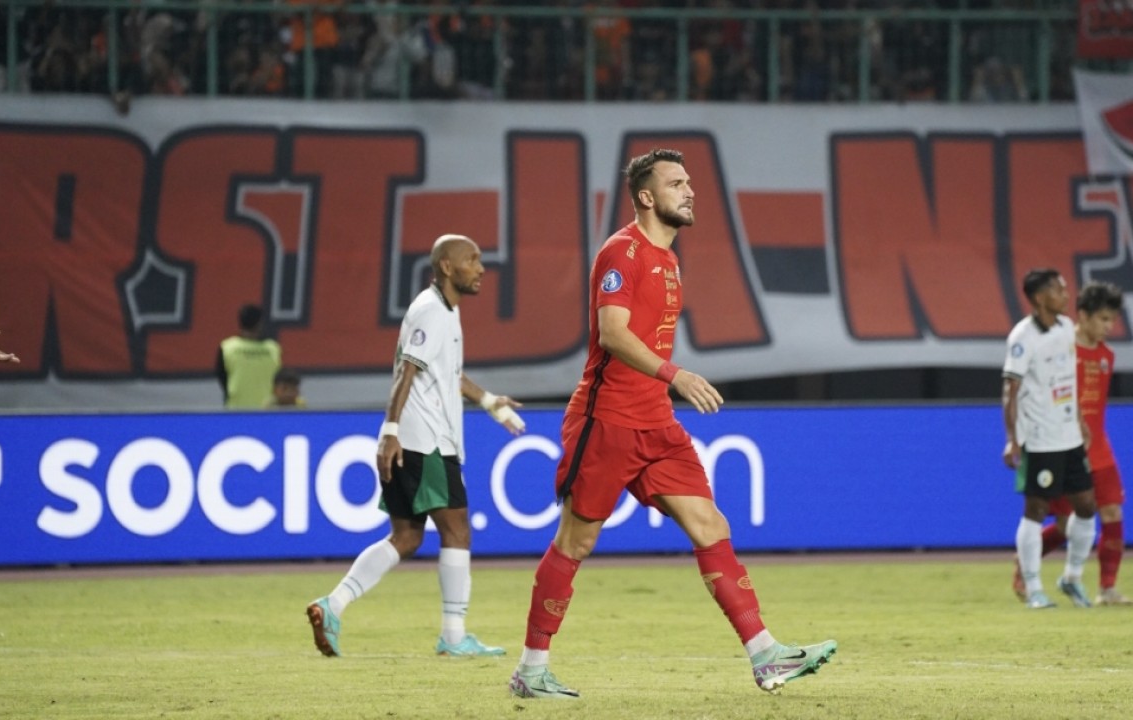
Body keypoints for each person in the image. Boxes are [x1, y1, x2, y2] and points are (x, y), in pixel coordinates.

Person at [507, 149, 837, 700]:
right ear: (646, 196)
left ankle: (766, 655)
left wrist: (664, 386)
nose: (689, 191)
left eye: (689, 182)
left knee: (711, 525)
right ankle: (531, 670)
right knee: (575, 542)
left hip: (656, 423)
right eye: (676, 183)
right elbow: (612, 333)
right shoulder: (622, 252)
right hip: (608, 421)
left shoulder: (668, 258)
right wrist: (674, 374)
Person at [306, 234, 524, 658]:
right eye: (472, 260)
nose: (481, 268)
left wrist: (488, 402)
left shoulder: (444, 310)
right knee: (457, 531)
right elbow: (406, 371)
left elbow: (446, 375)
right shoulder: (431, 311)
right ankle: (454, 636)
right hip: (427, 443)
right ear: (446, 266)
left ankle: (332, 605)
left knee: (406, 536)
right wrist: (390, 429)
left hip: (413, 440)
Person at [1012, 282, 1133, 605]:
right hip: (1063, 444)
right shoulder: (1061, 349)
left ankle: (1107, 589)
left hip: (1099, 446)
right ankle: (1026, 564)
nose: (1109, 327)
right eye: (1103, 319)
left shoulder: (1106, 355)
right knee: (1066, 522)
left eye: (1112, 320)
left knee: (1112, 511)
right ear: (1083, 315)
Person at [1002, 268, 1098, 610]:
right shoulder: (1022, 337)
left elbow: (1068, 379)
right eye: (1059, 290)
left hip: (1069, 435)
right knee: (1036, 510)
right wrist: (1012, 439)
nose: (1066, 295)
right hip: (1040, 438)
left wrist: (1080, 420)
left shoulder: (1065, 328)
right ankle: (1033, 588)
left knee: (1086, 505)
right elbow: (1010, 391)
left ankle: (1072, 578)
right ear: (1040, 298)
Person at [215, 304, 282, 409]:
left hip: (239, 409)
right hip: (262, 410)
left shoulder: (227, 347)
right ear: (259, 323)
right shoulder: (273, 348)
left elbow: (222, 378)